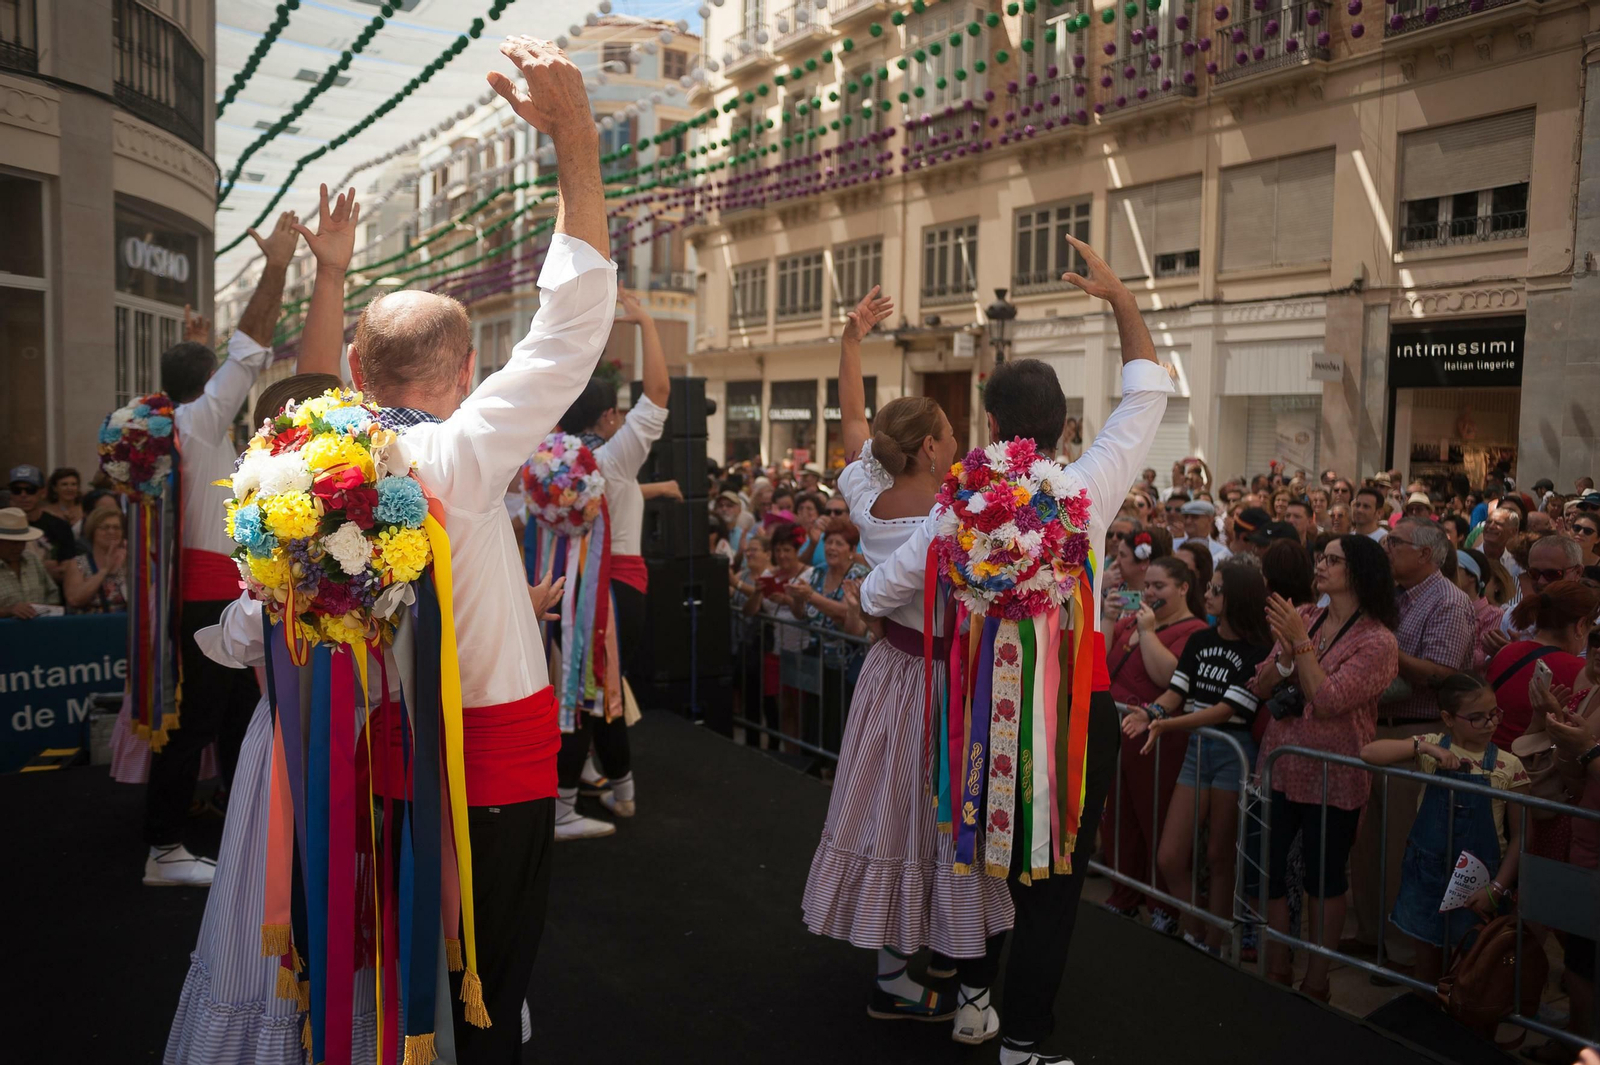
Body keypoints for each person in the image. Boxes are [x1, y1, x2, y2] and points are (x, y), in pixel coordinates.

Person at [301, 40, 616, 1060]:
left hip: (375, 748)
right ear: (470, 368)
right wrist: (575, 140)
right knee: (488, 967)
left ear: (358, 366)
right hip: (491, 749)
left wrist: (331, 279)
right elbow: (571, 324)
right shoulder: (463, 450)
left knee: (402, 951)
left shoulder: (307, 468)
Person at [856, 233, 1175, 1065]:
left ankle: (975, 1003)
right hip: (1075, 711)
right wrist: (1122, 303)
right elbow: (1147, 395)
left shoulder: (957, 508)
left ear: (989, 426)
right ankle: (1024, 1036)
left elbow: (876, 590)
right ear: (1063, 427)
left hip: (977, 713)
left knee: (983, 861)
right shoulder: (1087, 490)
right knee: (1054, 883)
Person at [802, 286, 1016, 1037]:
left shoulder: (868, 499)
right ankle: (911, 974)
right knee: (936, 821)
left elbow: (855, 425)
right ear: (929, 447)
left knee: (894, 820)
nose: (956, 440)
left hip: (889, 676)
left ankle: (902, 967)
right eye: (950, 432)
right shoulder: (952, 521)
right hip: (942, 684)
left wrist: (851, 340)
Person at [164, 371, 374, 1065]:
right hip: (312, 747)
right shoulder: (290, 555)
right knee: (286, 896)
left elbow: (236, 637)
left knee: (319, 894)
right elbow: (242, 636)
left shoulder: (331, 551)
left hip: (318, 747)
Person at [139, 210, 300, 888]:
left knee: (234, 716)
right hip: (208, 594)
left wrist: (190, 345)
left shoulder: (175, 427)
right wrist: (277, 267)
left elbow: (219, 365)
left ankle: (239, 827)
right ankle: (164, 847)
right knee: (198, 721)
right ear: (205, 388)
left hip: (208, 590)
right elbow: (249, 350)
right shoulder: (200, 424)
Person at [545, 284, 671, 838]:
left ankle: (612, 784)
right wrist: (643, 323)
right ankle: (580, 797)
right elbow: (660, 393)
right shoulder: (614, 458)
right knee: (597, 691)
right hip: (615, 586)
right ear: (607, 418)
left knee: (588, 686)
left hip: (557, 586)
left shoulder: (545, 463)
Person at [1253, 535, 1399, 1001]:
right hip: (1282, 765)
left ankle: (1317, 980)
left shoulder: (1379, 641)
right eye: (1321, 557)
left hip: (1334, 775)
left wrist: (1298, 644)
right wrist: (1287, 651)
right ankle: (1277, 966)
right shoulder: (1310, 618)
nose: (1321, 565)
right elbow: (1260, 685)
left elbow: (1329, 700)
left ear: (1357, 573)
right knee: (1272, 872)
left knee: (1324, 880)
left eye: (1333, 560)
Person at [1123, 560, 1274, 955]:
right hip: (1198, 749)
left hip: (1234, 751)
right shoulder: (1200, 641)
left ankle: (1212, 943)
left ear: (1236, 598)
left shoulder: (1259, 649)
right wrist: (1152, 712)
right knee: (1171, 856)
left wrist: (1167, 725)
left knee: (1219, 855)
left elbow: (1228, 709)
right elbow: (1175, 693)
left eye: (1216, 589)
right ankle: (1195, 931)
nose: (1207, 594)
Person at [1346, 515, 1475, 962]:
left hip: (1415, 735)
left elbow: (1443, 674)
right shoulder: (1388, 598)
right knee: (1364, 844)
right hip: (1371, 729)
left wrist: (1381, 648)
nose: (1386, 549)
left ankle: (1400, 951)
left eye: (1394, 543)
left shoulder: (1449, 602)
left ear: (1425, 553)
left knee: (1401, 844)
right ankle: (1368, 934)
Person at [1361, 673, 1529, 986]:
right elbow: (1369, 753)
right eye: (1477, 718)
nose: (1490, 723)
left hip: (1480, 881)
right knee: (1427, 966)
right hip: (1427, 874)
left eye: (1494, 713)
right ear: (1448, 719)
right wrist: (1425, 748)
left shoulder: (1509, 765)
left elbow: (1521, 835)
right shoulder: (1435, 748)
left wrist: (1497, 889)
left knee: (1471, 971)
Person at [1100, 557, 1209, 936]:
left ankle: (1163, 905)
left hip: (1157, 740)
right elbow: (1099, 661)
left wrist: (1147, 633)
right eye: (1146, 585)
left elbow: (1168, 677)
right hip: (1118, 735)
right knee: (1119, 819)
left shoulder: (1193, 630)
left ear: (1182, 588)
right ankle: (1124, 894)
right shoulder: (1132, 620)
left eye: (1159, 587)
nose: (1148, 593)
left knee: (1155, 819)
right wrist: (1110, 619)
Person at [789, 515, 871, 754]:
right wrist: (796, 599)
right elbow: (802, 615)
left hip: (848, 664)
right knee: (816, 716)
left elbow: (849, 616)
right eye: (828, 542)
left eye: (838, 543)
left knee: (841, 719)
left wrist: (811, 597)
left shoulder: (858, 576)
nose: (831, 548)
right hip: (818, 662)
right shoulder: (817, 573)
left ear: (851, 549)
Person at [1486, 579, 1599, 748]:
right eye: (1591, 625)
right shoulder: (1581, 673)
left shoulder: (1504, 652)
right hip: (1526, 767)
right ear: (1581, 626)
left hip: (1484, 755)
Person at [7, 464, 75, 581]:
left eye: (30, 490)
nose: (23, 495)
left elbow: (70, 566)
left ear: (42, 492)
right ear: (11, 494)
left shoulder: (60, 526)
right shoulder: (3, 526)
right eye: (17, 490)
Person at [1455, 547, 1515, 675]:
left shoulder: (1493, 615)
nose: (1449, 574)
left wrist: (1453, 639)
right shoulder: (1447, 605)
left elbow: (1482, 660)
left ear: (1472, 576)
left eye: (1456, 569)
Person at [63, 506, 128, 614]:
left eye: (116, 527)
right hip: (90, 625)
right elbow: (74, 600)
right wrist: (104, 570)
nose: (111, 531)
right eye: (105, 527)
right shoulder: (77, 564)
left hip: (125, 625)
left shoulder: (131, 562)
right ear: (93, 531)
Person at [0, 507, 61, 617]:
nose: (18, 548)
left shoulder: (31, 559)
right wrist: (7, 611)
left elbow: (52, 593)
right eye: (12, 543)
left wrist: (46, 611)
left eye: (22, 542)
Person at [1104, 528, 1173, 626]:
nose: (1117, 562)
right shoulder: (1111, 587)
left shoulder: (1155, 598)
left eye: (1123, 555)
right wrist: (1099, 585)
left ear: (1144, 563)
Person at [1177, 499, 1231, 565]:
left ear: (1210, 519)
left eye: (1195, 517)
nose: (1188, 521)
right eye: (1186, 517)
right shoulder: (1173, 547)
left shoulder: (1222, 553)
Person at [43, 467, 86, 537]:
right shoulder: (46, 512)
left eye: (73, 484)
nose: (69, 488)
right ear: (55, 488)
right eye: (64, 484)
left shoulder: (85, 510)